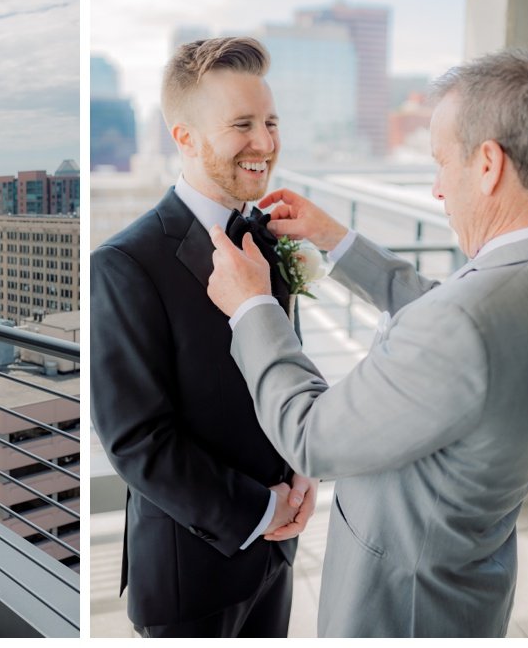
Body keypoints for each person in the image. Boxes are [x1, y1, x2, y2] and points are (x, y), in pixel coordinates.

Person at [205, 49, 528, 637]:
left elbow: (311, 436)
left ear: (487, 165)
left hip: (399, 607)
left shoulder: (468, 321)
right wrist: (336, 238)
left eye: (441, 163)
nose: (436, 189)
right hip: (467, 586)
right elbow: (445, 306)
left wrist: (253, 307)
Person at [90, 36, 316, 638]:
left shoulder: (267, 237)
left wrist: (302, 470)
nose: (265, 143)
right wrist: (263, 509)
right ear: (184, 137)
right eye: (242, 124)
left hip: (276, 558)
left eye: (270, 122)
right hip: (193, 577)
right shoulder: (125, 263)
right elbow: (136, 439)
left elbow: (285, 365)